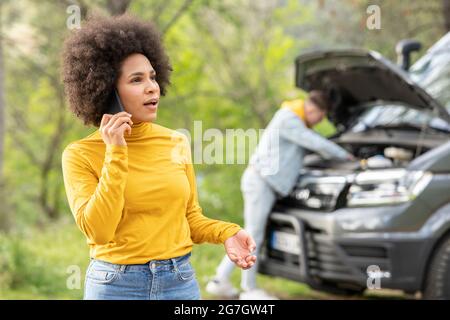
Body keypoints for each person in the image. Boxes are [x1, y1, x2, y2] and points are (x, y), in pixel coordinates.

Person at [61, 14, 256, 300]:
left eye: (153, 77)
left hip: (179, 281)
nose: (152, 87)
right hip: (116, 285)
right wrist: (116, 151)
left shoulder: (175, 142)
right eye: (136, 79)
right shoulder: (79, 155)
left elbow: (190, 218)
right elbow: (99, 231)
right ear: (106, 90)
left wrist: (227, 232)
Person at [206, 90, 354, 300]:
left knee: (251, 233)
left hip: (265, 184)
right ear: (312, 109)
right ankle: (249, 290)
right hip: (261, 183)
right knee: (253, 235)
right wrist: (345, 155)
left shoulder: (295, 120)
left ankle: (220, 280)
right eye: (319, 117)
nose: (318, 122)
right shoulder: (289, 119)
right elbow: (316, 143)